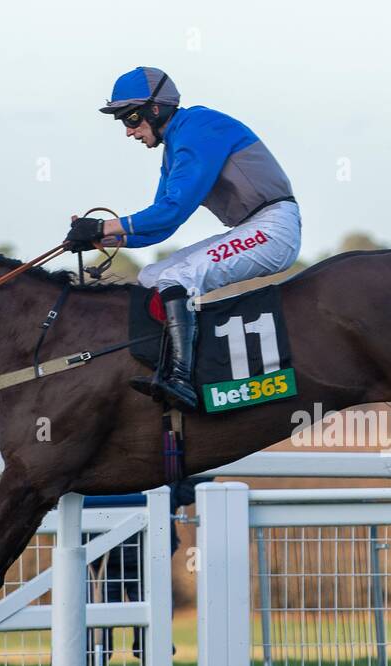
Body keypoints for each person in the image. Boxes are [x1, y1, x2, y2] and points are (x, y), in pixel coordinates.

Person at [64, 67, 300, 411]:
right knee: (151, 277)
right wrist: (104, 241)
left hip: (273, 228)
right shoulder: (175, 146)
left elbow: (172, 211)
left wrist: (103, 227)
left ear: (155, 108)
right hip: (250, 228)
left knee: (178, 278)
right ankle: (166, 368)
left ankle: (182, 379)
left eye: (130, 119)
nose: (128, 131)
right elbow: (162, 226)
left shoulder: (198, 128)